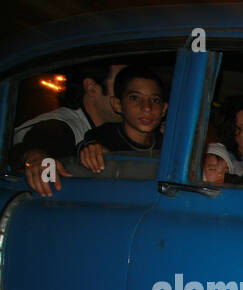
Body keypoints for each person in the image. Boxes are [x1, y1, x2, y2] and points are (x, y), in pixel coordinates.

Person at [17, 61, 124, 196]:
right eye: (121, 84)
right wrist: (35, 157)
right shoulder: (61, 126)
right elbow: (33, 149)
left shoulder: (116, 131)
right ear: (91, 88)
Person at [76, 65, 167, 173]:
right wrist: (89, 150)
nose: (147, 107)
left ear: (164, 109)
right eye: (135, 98)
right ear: (117, 104)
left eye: (155, 100)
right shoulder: (103, 137)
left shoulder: (167, 141)